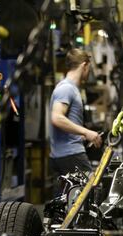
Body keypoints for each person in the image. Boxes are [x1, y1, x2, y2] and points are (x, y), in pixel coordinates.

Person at [49, 48, 102, 176]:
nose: (89, 72)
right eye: (89, 68)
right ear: (84, 65)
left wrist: (79, 134)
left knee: (70, 195)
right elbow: (56, 118)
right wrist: (86, 131)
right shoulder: (66, 89)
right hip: (71, 155)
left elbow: (66, 121)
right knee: (90, 193)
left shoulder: (70, 88)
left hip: (65, 154)